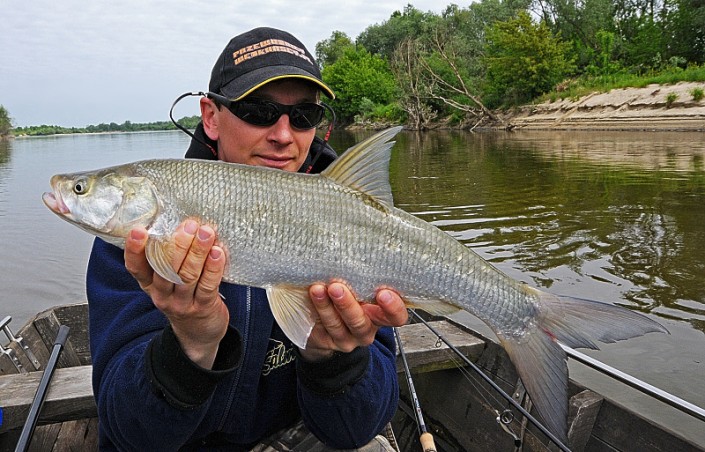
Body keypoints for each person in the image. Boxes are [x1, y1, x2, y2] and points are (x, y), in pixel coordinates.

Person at [86, 27, 408, 451]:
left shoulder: (356, 225)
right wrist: (193, 343)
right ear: (211, 117)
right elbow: (131, 434)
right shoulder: (139, 241)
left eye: (304, 116)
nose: (282, 134)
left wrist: (334, 359)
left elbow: (355, 430)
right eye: (258, 110)